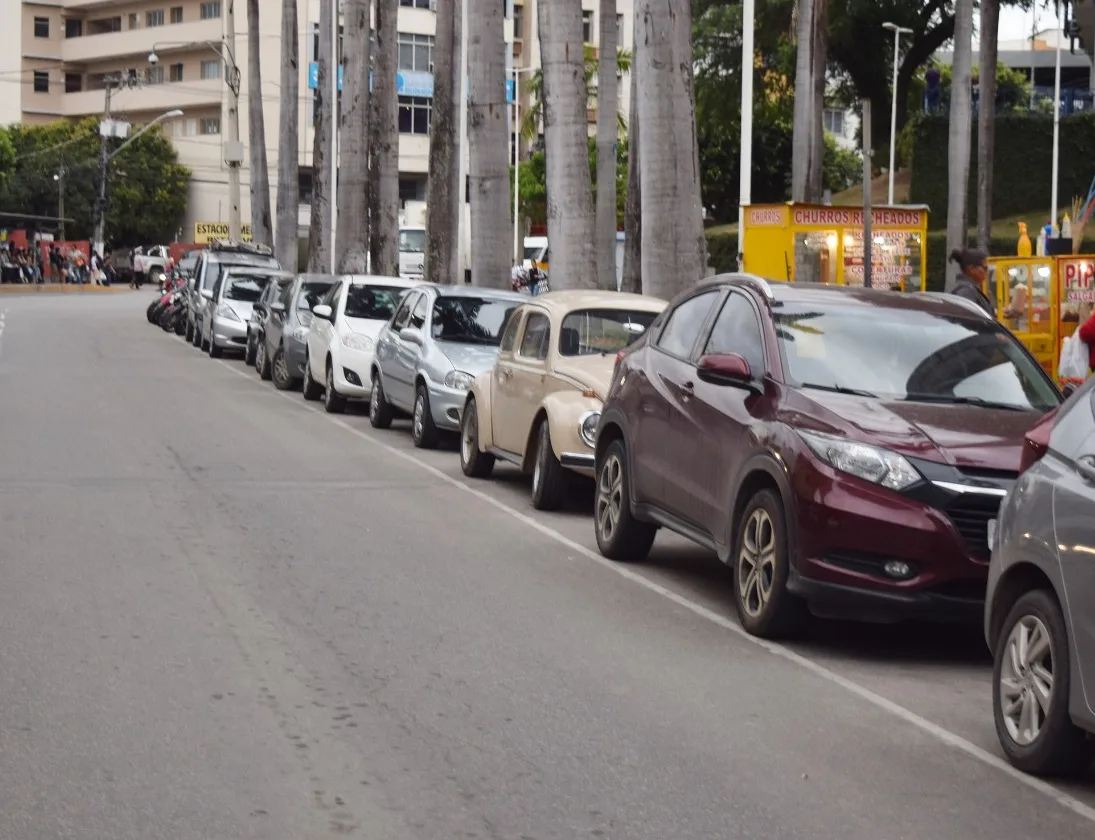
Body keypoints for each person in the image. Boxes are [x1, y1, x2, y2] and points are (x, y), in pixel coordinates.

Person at [947, 248, 995, 317]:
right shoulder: (966, 291)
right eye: (985, 268)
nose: (987, 272)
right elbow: (966, 319)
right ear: (972, 269)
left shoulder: (968, 288)